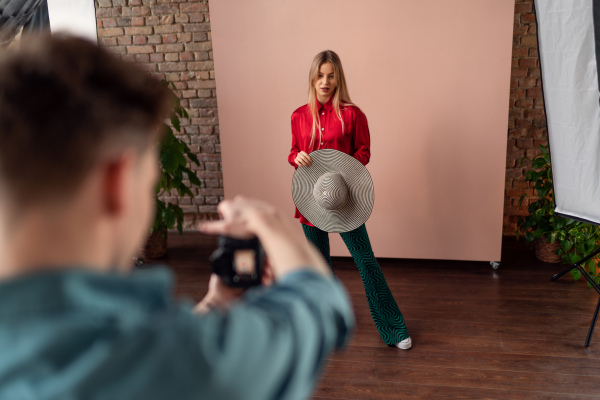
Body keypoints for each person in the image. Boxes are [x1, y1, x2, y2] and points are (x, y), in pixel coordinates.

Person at [0, 35, 354, 400]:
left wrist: (214, 307)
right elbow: (321, 306)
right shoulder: (174, 359)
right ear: (117, 182)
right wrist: (276, 226)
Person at [288, 50, 412, 350]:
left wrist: (341, 170)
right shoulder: (298, 116)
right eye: (320, 76)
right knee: (319, 267)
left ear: (338, 78)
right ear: (312, 78)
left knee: (366, 262)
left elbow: (363, 152)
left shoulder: (353, 114)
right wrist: (297, 156)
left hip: (345, 200)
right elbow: (293, 151)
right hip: (311, 201)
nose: (325, 82)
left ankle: (394, 329)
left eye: (331, 76)